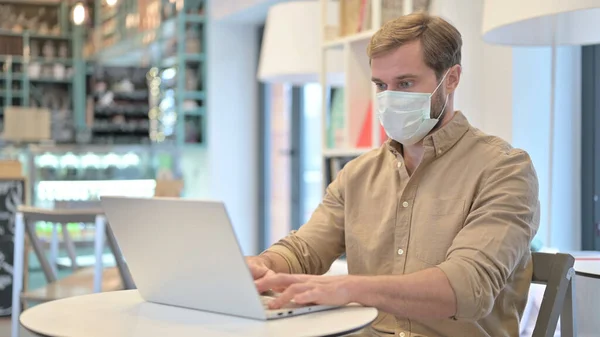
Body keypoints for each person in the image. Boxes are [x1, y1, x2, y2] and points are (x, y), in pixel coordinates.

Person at [248, 11, 540, 337]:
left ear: (452, 78)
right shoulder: (357, 175)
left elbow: (468, 287)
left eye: (405, 83)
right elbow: (304, 251)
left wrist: (351, 288)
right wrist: (265, 266)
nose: (389, 98)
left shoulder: (504, 170)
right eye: (380, 85)